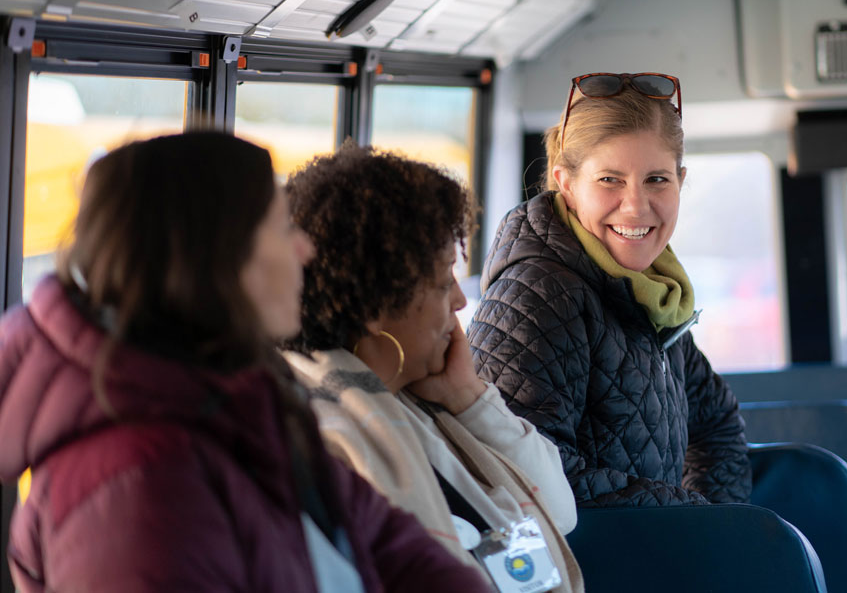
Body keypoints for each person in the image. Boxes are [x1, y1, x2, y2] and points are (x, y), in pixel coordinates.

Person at [0, 132, 489, 593]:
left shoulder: (245, 401)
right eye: (280, 229)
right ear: (213, 260)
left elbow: (390, 546)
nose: (305, 249)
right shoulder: (137, 487)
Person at [281, 146, 583, 592]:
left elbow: (559, 511)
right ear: (377, 304)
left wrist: (469, 399)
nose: (460, 303)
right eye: (444, 282)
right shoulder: (330, 438)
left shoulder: (418, 403)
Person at [469, 73, 752, 507]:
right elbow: (527, 474)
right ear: (566, 183)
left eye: (657, 179)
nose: (636, 206)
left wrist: (711, 534)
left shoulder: (653, 292)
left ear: (681, 179)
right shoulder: (538, 293)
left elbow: (717, 427)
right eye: (609, 180)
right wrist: (685, 521)